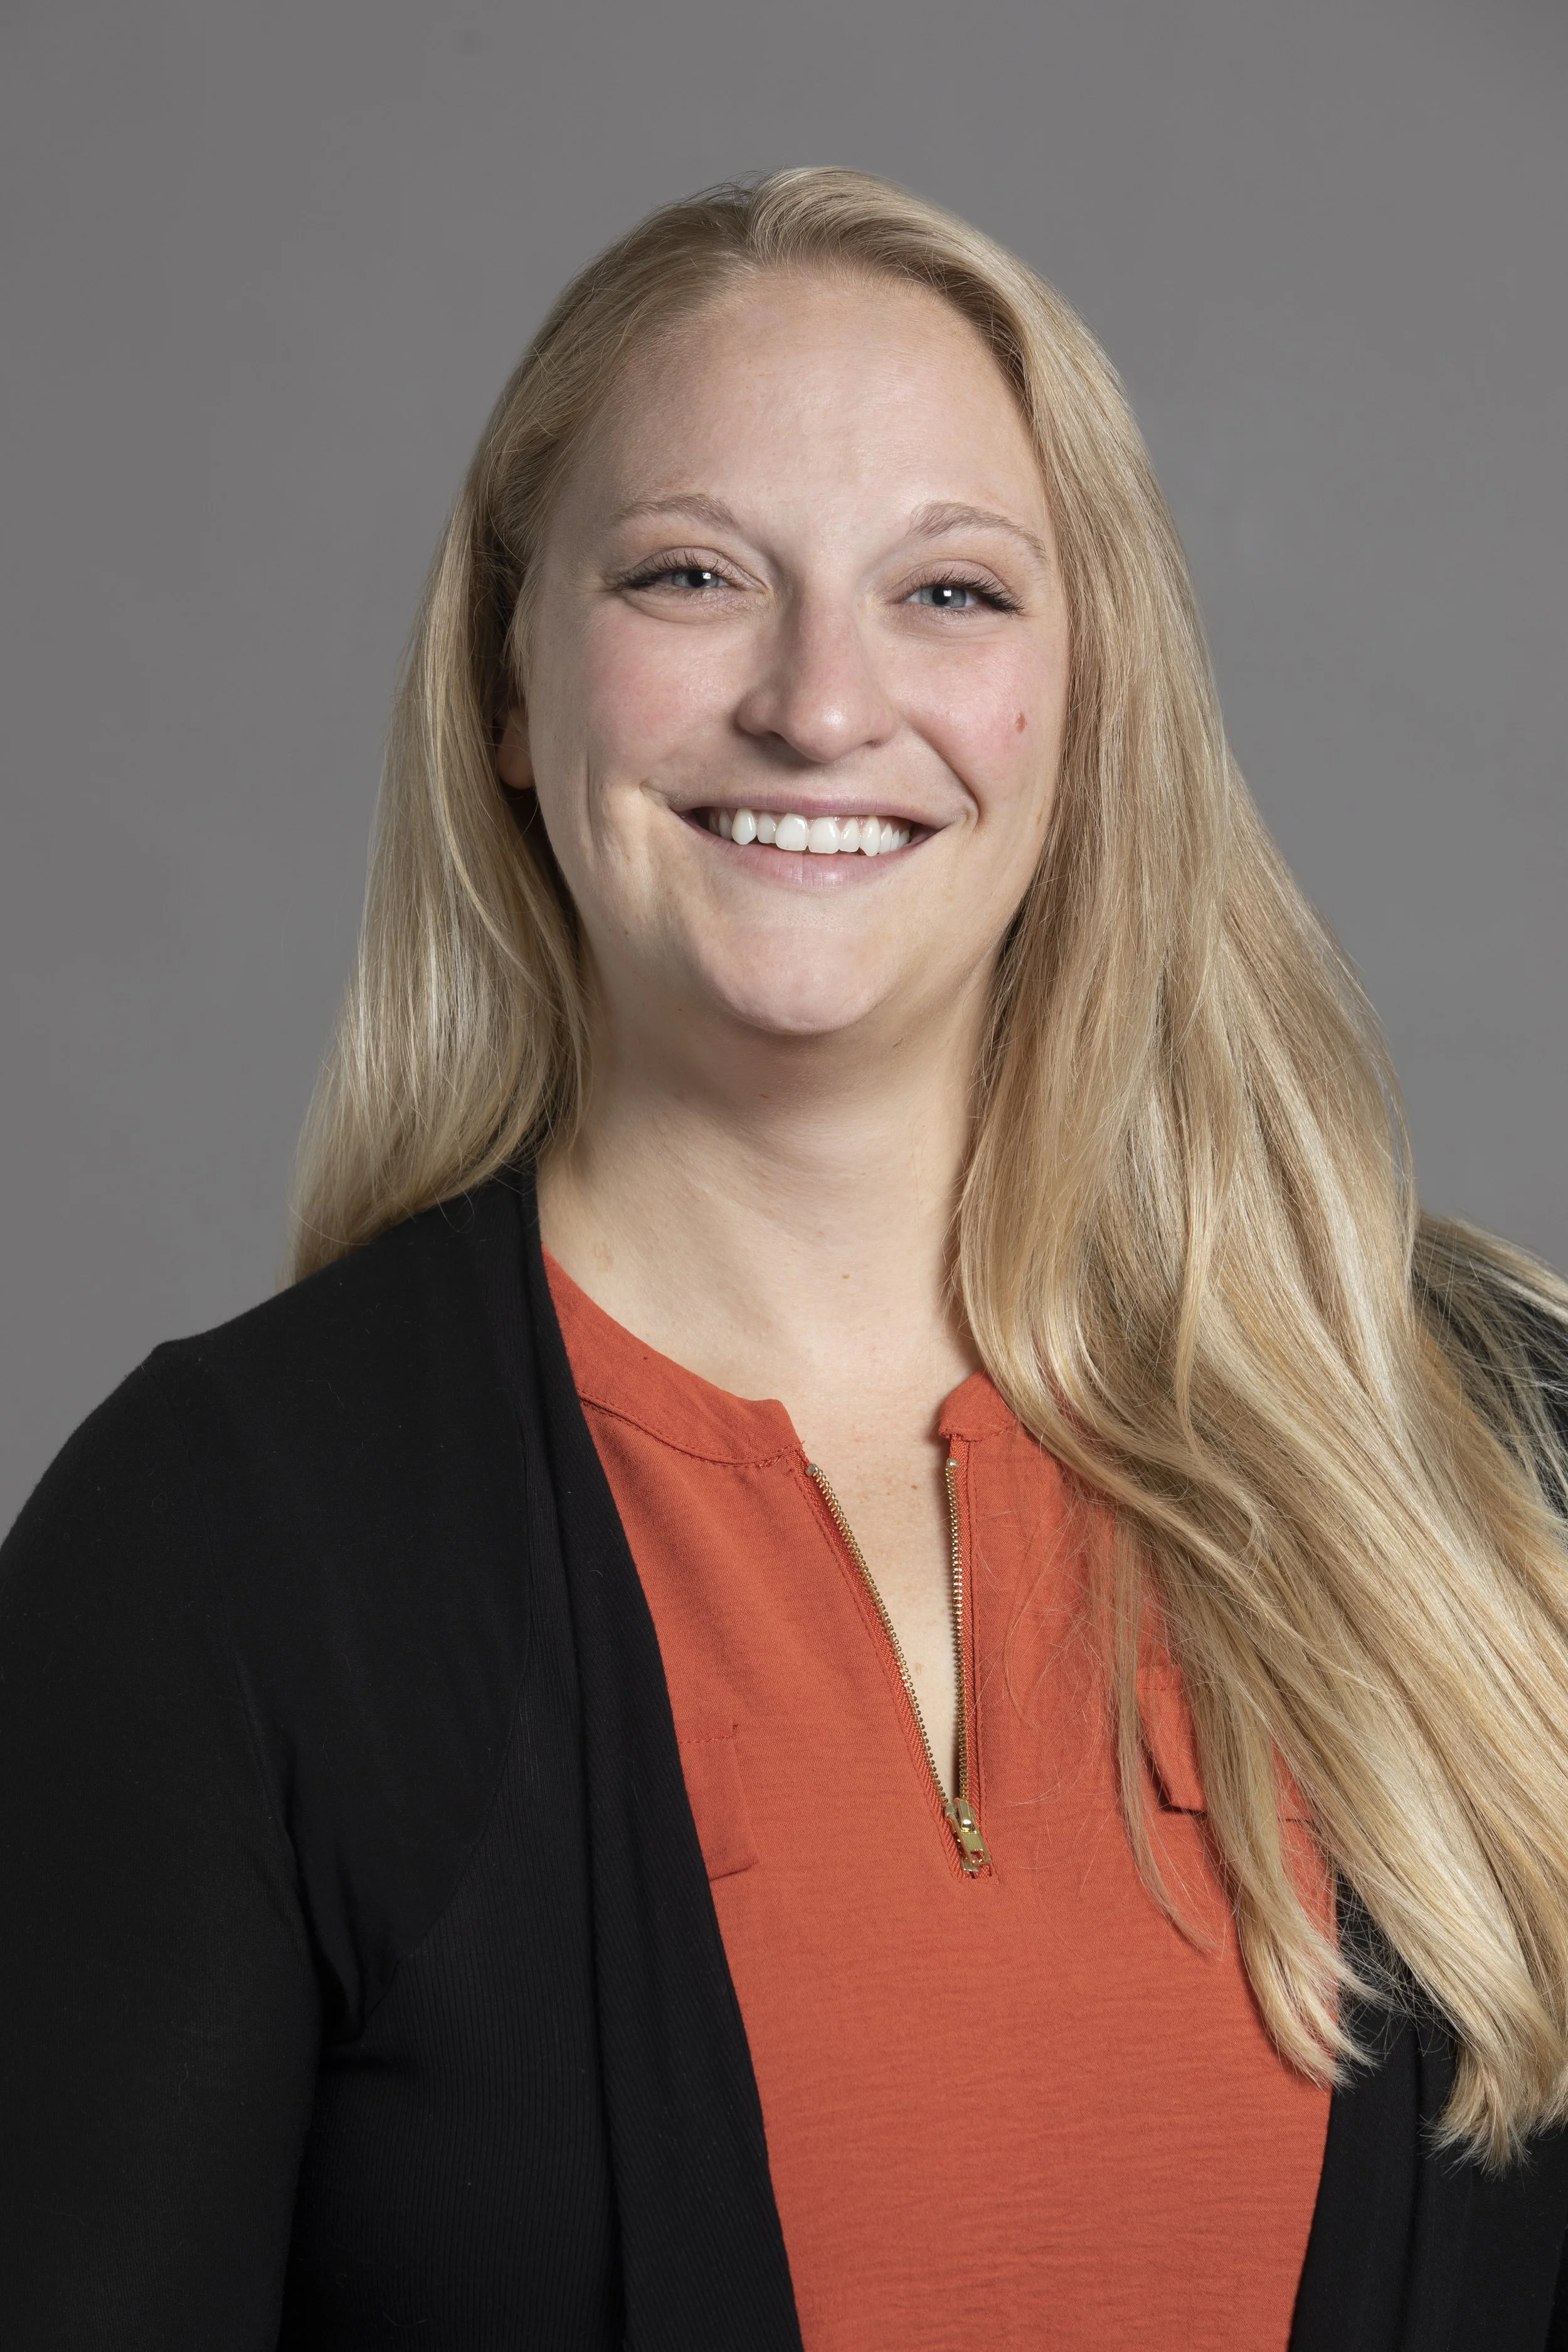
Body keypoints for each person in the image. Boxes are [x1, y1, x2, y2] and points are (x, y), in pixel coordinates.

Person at [3, 167, 1567, 2352]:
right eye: (690, 575)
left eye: (948, 590)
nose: (821, 704)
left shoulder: (1487, 1447)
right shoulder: (224, 1552)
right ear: (510, 697)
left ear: (1090, 712)